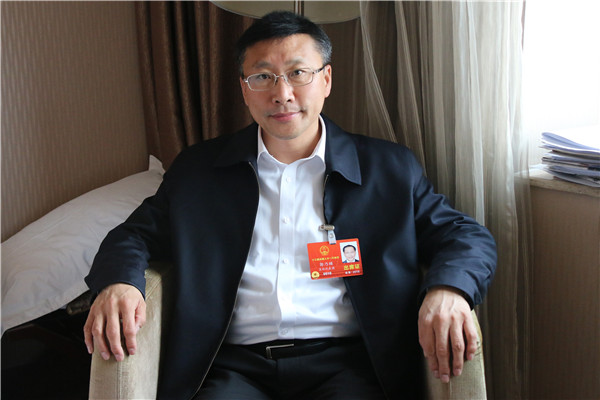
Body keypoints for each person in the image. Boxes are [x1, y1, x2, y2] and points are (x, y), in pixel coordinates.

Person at [84, 11, 496, 400]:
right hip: (234, 367)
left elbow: (465, 236)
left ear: (326, 79)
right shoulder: (200, 172)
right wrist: (120, 282)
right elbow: (132, 235)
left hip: (348, 365)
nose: (282, 94)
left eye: (299, 73)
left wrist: (449, 289)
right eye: (263, 77)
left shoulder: (387, 169)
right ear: (244, 89)